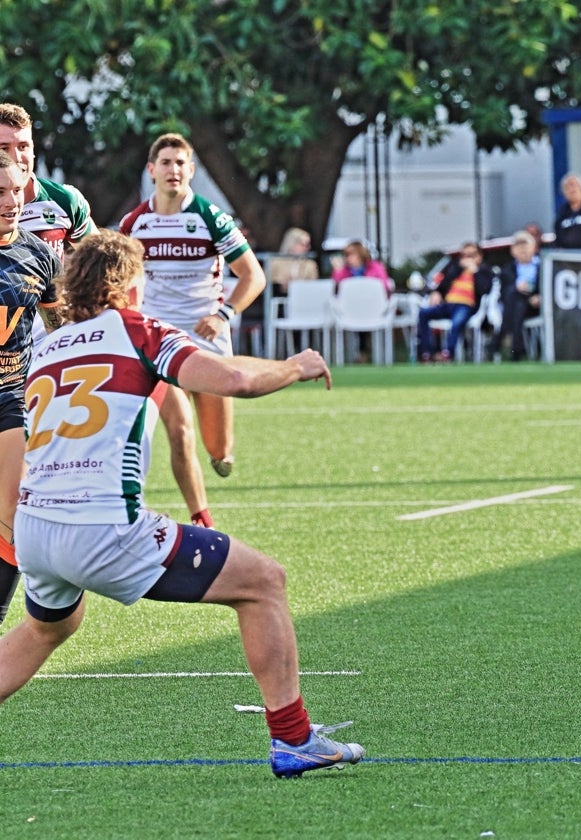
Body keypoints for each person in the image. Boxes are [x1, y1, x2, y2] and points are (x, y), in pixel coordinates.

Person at [0, 229, 363, 777]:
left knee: (47, 629)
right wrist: (295, 367)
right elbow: (232, 380)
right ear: (128, 285)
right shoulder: (136, 330)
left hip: (35, 526)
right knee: (264, 582)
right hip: (100, 525)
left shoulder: (49, 347)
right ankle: (294, 740)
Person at [119, 133, 266, 516]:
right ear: (152, 170)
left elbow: (253, 276)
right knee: (179, 431)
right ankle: (202, 516)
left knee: (219, 448)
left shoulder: (209, 217)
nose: (174, 170)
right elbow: (118, 279)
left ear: (192, 170)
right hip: (160, 342)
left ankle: (221, 453)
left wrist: (222, 316)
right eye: (166, 163)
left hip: (207, 339)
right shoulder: (135, 223)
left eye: (181, 163)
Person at [0, 150, 64, 625]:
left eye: (16, 192)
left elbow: (60, 327)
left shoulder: (38, 254)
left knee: (12, 508)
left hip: (9, 398)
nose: (10, 202)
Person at [0, 103, 97, 263]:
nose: (17, 158)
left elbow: (100, 264)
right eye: (4, 148)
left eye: (23, 147)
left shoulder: (64, 199)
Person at [416, 242, 495, 363]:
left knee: (457, 321)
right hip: (448, 305)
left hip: (467, 306)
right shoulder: (455, 269)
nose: (467, 258)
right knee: (424, 313)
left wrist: (475, 271)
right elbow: (441, 288)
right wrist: (435, 293)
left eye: (471, 255)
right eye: (464, 255)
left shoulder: (484, 270)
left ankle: (447, 353)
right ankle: (427, 352)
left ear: (479, 256)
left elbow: (484, 289)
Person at [489, 230, 541, 362]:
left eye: (526, 244)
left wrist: (539, 297)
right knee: (516, 300)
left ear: (534, 248)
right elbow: (503, 293)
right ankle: (517, 348)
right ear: (513, 251)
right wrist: (518, 288)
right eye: (519, 245)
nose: (523, 249)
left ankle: (499, 340)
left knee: (515, 301)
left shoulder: (543, 266)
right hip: (516, 305)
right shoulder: (507, 270)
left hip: (536, 306)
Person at [268, 227, 319, 296]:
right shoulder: (275, 263)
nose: (307, 248)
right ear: (291, 243)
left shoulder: (310, 265)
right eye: (303, 244)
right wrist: (280, 285)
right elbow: (265, 285)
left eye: (308, 245)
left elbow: (314, 286)